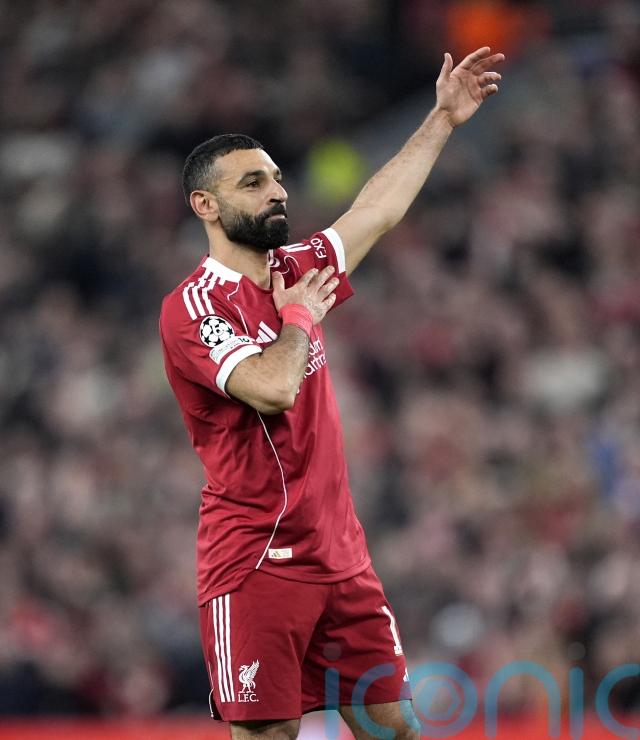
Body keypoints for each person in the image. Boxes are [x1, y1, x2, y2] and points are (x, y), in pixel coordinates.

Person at [159, 47, 504, 740]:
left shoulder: (295, 268)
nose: (277, 192)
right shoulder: (194, 307)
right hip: (256, 563)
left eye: (277, 179)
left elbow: (375, 211)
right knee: (271, 736)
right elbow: (272, 389)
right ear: (206, 204)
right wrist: (298, 318)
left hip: (342, 559)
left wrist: (442, 118)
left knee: (393, 729)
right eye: (253, 183)